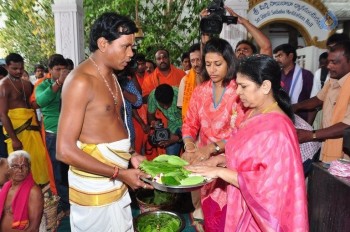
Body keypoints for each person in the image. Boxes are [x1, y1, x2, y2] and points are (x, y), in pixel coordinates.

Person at [187, 55, 308, 231]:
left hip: (260, 217)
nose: (237, 92)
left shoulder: (278, 129)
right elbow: (251, 160)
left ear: (265, 86)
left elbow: (267, 186)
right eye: (237, 86)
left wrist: (219, 172)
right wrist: (220, 160)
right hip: (242, 203)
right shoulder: (254, 113)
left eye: (244, 86)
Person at [56, 12, 152, 232]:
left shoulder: (112, 76)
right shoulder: (81, 81)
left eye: (132, 47)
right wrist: (120, 173)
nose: (131, 53)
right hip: (94, 190)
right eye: (125, 46)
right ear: (103, 43)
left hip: (115, 182)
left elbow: (109, 126)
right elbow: (64, 150)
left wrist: (131, 155)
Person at [182, 38, 245, 231]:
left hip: (229, 159)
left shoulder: (239, 90)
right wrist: (190, 145)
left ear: (229, 62)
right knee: (209, 212)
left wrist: (213, 148)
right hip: (203, 159)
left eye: (218, 64)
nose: (212, 70)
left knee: (230, 214)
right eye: (208, 64)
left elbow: (242, 132)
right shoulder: (201, 91)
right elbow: (189, 123)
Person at [294, 41, 350, 162]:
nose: (328, 66)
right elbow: (318, 99)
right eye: (328, 62)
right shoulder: (332, 81)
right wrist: (295, 107)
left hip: (344, 156)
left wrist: (312, 135)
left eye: (334, 62)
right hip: (327, 145)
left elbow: (346, 126)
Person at [0, 53, 49, 185]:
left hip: (32, 129)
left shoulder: (27, 84)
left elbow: (32, 106)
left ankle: (37, 190)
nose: (19, 71)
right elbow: (3, 114)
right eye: (14, 69)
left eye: (21, 68)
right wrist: (14, 139)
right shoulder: (3, 86)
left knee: (39, 159)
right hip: (17, 133)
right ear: (6, 67)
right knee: (19, 165)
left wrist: (38, 124)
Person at [35, 54, 70, 215]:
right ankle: (65, 203)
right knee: (59, 171)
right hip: (54, 134)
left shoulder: (70, 84)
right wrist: (58, 83)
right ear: (50, 70)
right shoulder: (44, 85)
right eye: (58, 69)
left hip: (71, 133)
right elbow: (41, 101)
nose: (61, 72)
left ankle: (77, 199)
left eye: (64, 69)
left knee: (74, 168)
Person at [0, 150, 44, 232]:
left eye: (24, 166)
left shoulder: (33, 191)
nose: (20, 170)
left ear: (29, 168)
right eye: (15, 166)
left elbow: (34, 228)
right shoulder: (6, 187)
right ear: (9, 168)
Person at [273, 43, 313, 120]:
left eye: (280, 56)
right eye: (276, 57)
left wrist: (309, 125)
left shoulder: (305, 75)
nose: (277, 60)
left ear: (290, 56)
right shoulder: (276, 75)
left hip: (300, 119)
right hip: (279, 118)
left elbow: (312, 100)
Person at [147, 84, 182, 155]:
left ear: (173, 98)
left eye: (168, 104)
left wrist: (177, 137)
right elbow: (150, 115)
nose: (165, 108)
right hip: (172, 125)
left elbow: (192, 122)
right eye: (162, 105)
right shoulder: (153, 97)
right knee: (170, 156)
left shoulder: (180, 95)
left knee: (190, 152)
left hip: (187, 124)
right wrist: (153, 123)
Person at [177, 43, 203, 121]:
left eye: (198, 60)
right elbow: (182, 106)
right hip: (192, 123)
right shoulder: (185, 80)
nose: (195, 64)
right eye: (192, 61)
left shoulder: (213, 78)